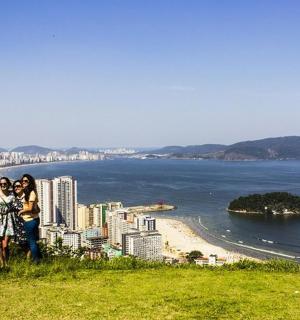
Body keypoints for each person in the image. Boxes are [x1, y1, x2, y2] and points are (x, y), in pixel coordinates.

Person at [18, 174, 41, 263]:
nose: (23, 182)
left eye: (26, 181)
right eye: (22, 181)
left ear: (30, 182)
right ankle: (38, 259)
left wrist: (21, 211)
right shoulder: (27, 192)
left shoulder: (31, 193)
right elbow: (36, 207)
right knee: (33, 241)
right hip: (32, 219)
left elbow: (30, 208)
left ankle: (36, 261)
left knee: (32, 242)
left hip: (30, 220)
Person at [0, 177, 15, 267]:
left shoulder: (12, 195)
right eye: (1, 184)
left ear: (8, 184)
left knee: (5, 245)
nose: (3, 185)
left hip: (8, 221)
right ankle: (2, 264)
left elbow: (16, 206)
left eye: (5, 183)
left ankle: (7, 263)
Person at [12, 180, 28, 254]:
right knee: (21, 243)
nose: (16, 188)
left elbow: (35, 209)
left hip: (26, 223)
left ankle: (30, 262)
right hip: (17, 225)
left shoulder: (27, 197)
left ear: (22, 187)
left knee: (28, 243)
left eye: (18, 186)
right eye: (15, 186)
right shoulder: (14, 198)